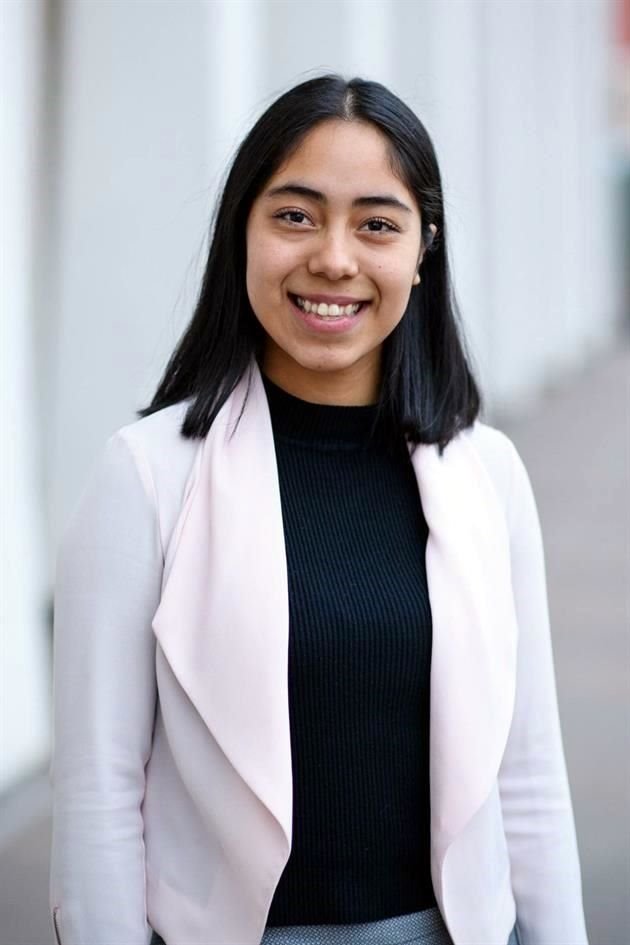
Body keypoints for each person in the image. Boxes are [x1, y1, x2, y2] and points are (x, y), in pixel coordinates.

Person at [49, 74, 588, 945]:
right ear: (244, 233)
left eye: (377, 223)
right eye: (295, 215)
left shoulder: (488, 472)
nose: (334, 258)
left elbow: (528, 777)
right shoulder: (145, 475)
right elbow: (99, 790)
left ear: (423, 249)